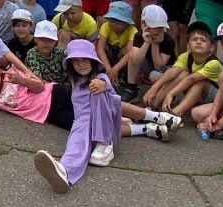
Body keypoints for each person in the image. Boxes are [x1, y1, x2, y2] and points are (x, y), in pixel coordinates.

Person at [32, 39, 176, 193]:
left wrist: (102, 85)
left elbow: (107, 89)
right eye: (76, 61)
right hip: (88, 122)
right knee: (78, 141)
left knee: (80, 138)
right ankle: (148, 128)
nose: (81, 64)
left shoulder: (99, 78)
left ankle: (98, 148)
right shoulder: (75, 80)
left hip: (102, 130)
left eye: (85, 59)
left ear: (93, 61)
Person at [0, 56, 74, 132]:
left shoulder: (12, 73)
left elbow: (40, 87)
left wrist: (22, 81)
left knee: (86, 111)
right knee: (77, 125)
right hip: (48, 113)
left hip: (54, 94)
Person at [143, 21, 222, 119]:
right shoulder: (186, 56)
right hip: (199, 95)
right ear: (188, 45)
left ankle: (175, 114)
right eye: (194, 39)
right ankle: (154, 105)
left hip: (217, 97)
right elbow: (173, 71)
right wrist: (155, 87)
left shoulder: (214, 63)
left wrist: (171, 94)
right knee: (183, 73)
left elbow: (191, 79)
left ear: (211, 47)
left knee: (199, 81)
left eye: (203, 40)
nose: (198, 42)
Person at [122, 4, 175, 99]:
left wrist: (155, 44)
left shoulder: (168, 40)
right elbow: (135, 60)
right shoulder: (139, 36)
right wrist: (146, 42)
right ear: (144, 24)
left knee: (154, 75)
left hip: (165, 71)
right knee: (132, 55)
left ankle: (165, 92)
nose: (157, 29)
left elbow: (159, 66)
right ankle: (131, 87)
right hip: (148, 66)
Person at [96, 0, 138, 88]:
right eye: (112, 21)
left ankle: (124, 79)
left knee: (129, 51)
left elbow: (130, 53)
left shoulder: (132, 30)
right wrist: (108, 69)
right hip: (109, 56)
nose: (115, 24)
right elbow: (100, 48)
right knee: (100, 47)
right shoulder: (106, 26)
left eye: (119, 22)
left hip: (122, 58)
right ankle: (103, 72)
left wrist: (115, 69)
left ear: (127, 23)